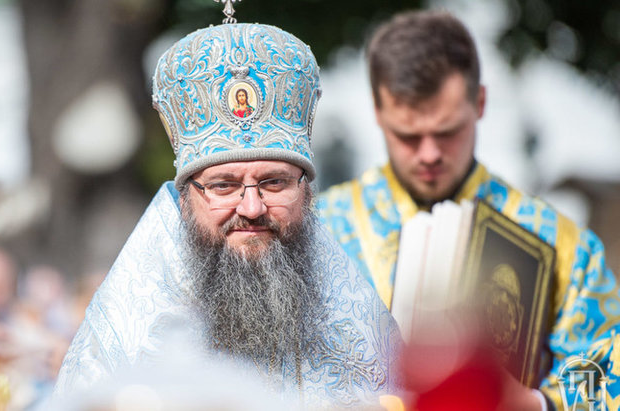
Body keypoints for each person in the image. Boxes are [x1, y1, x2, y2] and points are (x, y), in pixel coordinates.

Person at [53, 19, 401, 408]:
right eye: (224, 186)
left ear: (306, 190)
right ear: (184, 199)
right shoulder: (121, 340)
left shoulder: (359, 333)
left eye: (274, 183)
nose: (252, 208)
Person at [316, 10, 620, 410]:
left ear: (479, 103)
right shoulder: (320, 229)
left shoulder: (561, 242)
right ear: (377, 110)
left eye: (447, 132)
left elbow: (605, 370)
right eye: (407, 136)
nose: (429, 154)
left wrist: (536, 404)